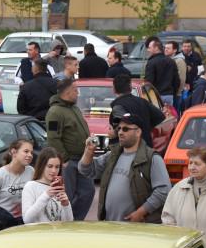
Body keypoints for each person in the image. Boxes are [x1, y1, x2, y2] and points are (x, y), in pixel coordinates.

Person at [77, 112, 171, 222]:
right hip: (110, 225)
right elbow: (86, 170)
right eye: (119, 129)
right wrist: (88, 152)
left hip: (137, 228)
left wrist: (141, 212)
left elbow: (163, 190)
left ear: (138, 132)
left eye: (126, 129)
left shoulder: (152, 158)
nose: (120, 132)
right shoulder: (112, 155)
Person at [45, 79, 93, 220]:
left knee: (88, 192)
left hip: (82, 159)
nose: (77, 93)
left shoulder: (74, 108)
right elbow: (53, 137)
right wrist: (63, 159)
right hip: (69, 161)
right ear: (67, 92)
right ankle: (64, 223)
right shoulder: (54, 112)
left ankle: (75, 220)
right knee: (67, 196)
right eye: (75, 90)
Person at [0, 139, 34, 228]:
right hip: (3, 224)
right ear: (14, 152)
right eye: (26, 151)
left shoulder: (31, 171)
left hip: (23, 225)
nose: (30, 155)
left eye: (31, 152)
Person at [109, 73, 165, 147]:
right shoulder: (142, 101)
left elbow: (122, 126)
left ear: (114, 89)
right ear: (130, 88)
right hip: (146, 146)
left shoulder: (118, 107)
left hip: (128, 148)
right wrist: (146, 126)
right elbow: (160, 116)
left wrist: (114, 133)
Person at [21, 147, 73, 223]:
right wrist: (46, 195)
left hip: (58, 233)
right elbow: (27, 219)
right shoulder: (31, 186)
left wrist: (66, 205)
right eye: (50, 166)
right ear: (42, 166)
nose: (54, 171)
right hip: (40, 233)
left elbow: (69, 222)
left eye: (57, 167)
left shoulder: (58, 187)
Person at [143, 37, 180, 107]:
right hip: (169, 95)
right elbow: (176, 80)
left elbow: (149, 82)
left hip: (155, 96)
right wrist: (173, 92)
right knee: (168, 116)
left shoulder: (151, 62)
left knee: (156, 116)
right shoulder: (171, 61)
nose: (148, 50)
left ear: (156, 48)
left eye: (150, 47)